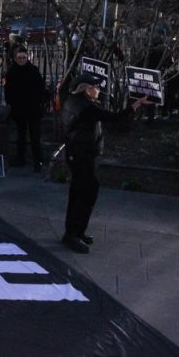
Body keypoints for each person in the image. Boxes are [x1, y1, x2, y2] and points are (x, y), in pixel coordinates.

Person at [60, 73, 151, 253]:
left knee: (79, 193)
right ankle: (73, 235)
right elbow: (114, 118)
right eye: (96, 87)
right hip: (83, 155)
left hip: (78, 154)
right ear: (86, 89)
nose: (98, 90)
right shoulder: (86, 107)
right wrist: (136, 105)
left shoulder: (73, 101)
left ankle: (75, 231)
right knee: (85, 194)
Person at [2, 48, 49, 170]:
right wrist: (11, 103)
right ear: (15, 58)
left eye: (23, 57)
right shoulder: (12, 72)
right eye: (19, 58)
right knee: (21, 135)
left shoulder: (33, 70)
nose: (22, 60)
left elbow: (41, 88)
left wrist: (39, 102)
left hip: (33, 108)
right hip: (19, 108)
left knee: (35, 136)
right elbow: (8, 90)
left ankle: (37, 161)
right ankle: (20, 159)